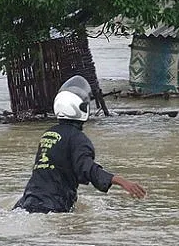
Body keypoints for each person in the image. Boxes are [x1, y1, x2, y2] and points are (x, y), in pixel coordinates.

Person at [14, 75, 147, 213]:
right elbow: (87, 168)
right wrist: (120, 181)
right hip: (51, 205)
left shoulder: (48, 134)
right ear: (80, 108)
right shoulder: (78, 139)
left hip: (28, 200)